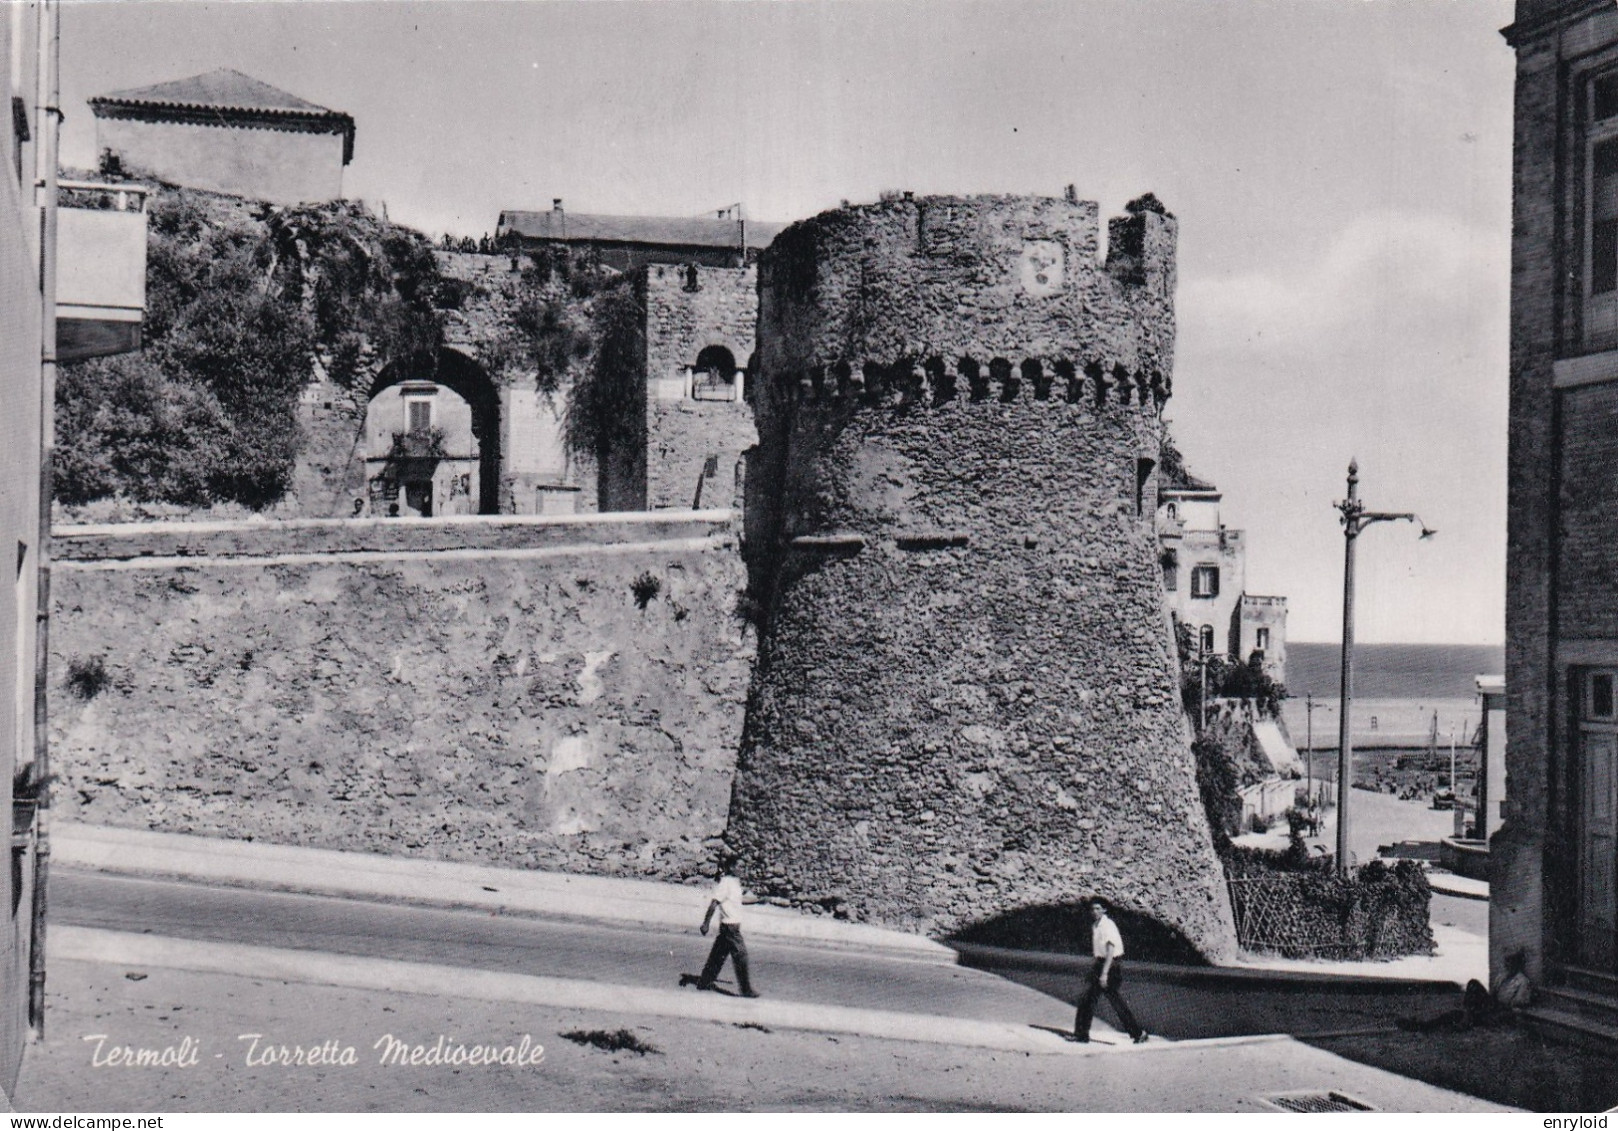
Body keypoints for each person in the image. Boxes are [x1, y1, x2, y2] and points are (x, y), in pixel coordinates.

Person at [680, 856, 759, 998]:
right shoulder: (726, 883)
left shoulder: (735, 883)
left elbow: (737, 901)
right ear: (731, 867)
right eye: (740, 867)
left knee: (717, 956)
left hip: (730, 927)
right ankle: (746, 990)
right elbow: (714, 903)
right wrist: (706, 923)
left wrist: (757, 900)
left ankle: (704, 982)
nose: (742, 870)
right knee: (741, 956)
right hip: (730, 927)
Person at [1074, 898, 1147, 1044]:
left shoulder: (1107, 926)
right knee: (1089, 1000)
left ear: (1104, 910)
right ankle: (1081, 1035)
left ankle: (1138, 1033)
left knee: (1112, 1001)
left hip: (1110, 965)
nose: (1094, 912)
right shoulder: (1097, 925)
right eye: (1093, 909)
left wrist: (1104, 973)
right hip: (1102, 964)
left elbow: (1111, 950)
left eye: (1098, 909)